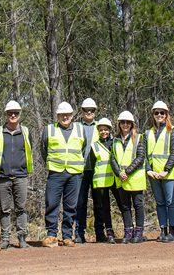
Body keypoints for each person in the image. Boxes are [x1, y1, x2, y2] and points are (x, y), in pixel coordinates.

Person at [40, 102, 85, 248]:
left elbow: (84, 149)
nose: (65, 117)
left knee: (70, 206)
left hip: (75, 173)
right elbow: (43, 150)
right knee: (51, 203)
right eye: (61, 115)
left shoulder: (80, 128)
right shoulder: (49, 130)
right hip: (56, 172)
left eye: (67, 115)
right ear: (57, 116)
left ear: (72, 116)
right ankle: (51, 234)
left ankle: (67, 236)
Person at [0, 101, 33, 249]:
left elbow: (29, 150)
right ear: (6, 115)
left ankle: (22, 238)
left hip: (21, 176)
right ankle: (5, 238)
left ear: (20, 114)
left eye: (16, 113)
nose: (13, 115)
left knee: (21, 208)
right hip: (3, 176)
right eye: (10, 113)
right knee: (4, 209)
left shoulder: (25, 131)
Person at [143, 101, 174, 243]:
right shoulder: (148, 133)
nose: (159, 115)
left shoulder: (172, 131)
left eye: (162, 113)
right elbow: (144, 153)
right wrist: (148, 170)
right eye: (156, 113)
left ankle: (172, 231)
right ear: (153, 115)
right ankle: (163, 230)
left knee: (171, 202)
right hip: (154, 174)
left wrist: (166, 170)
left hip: (168, 174)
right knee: (160, 203)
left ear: (166, 115)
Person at [110, 111, 146, 244]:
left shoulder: (139, 138)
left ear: (132, 124)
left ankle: (139, 231)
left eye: (128, 122)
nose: (125, 125)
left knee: (138, 205)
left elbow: (140, 157)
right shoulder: (115, 139)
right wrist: (119, 173)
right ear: (119, 124)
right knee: (125, 206)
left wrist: (127, 172)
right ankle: (128, 230)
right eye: (123, 122)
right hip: (121, 179)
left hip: (135, 178)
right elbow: (112, 158)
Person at [75, 98, 103, 243]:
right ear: (82, 111)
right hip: (80, 171)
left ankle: (100, 232)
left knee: (99, 203)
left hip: (97, 170)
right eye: (86, 110)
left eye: (92, 110)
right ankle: (79, 233)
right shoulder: (76, 127)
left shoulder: (101, 126)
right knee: (80, 203)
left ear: (95, 111)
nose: (89, 113)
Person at [90, 118, 121, 244]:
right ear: (98, 131)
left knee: (122, 205)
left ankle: (129, 229)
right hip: (101, 181)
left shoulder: (116, 143)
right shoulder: (95, 146)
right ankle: (109, 231)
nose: (103, 132)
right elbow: (93, 165)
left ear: (110, 130)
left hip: (115, 179)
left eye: (106, 129)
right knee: (105, 208)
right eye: (101, 130)